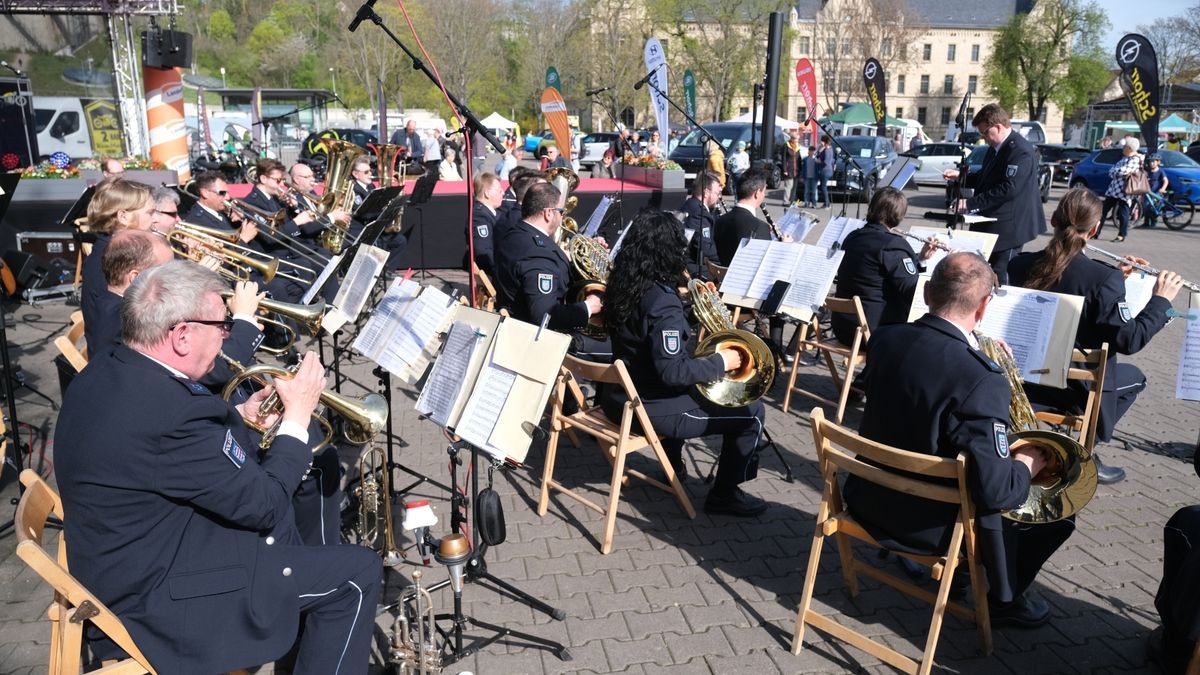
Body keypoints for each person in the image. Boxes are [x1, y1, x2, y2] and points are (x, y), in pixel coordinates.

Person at [54, 260, 383, 674]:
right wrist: (298, 417)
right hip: (160, 602)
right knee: (357, 573)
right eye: (221, 325)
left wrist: (243, 416)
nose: (228, 334)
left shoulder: (114, 366)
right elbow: (263, 505)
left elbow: (176, 459)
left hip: (139, 558)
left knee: (301, 533)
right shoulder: (167, 412)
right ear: (182, 335)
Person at [846, 251, 1071, 628]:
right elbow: (998, 492)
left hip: (865, 500)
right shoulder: (982, 378)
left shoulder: (885, 339)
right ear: (984, 307)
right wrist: (1029, 461)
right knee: (1058, 513)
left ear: (928, 292)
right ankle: (1003, 595)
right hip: (927, 528)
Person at [1008, 187, 1183, 484]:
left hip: (1024, 383)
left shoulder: (1019, 264)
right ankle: (1085, 449)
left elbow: (1071, 280)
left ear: (1053, 220)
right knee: (1136, 377)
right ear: (1096, 228)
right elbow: (1129, 339)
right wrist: (1161, 302)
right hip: (1073, 390)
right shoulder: (1102, 279)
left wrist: (1115, 279)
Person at [602, 210, 768, 516]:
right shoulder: (662, 300)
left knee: (694, 388)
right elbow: (673, 372)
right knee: (753, 413)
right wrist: (722, 360)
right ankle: (725, 494)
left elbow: (650, 333)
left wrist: (689, 313)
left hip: (616, 399)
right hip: (648, 408)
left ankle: (672, 467)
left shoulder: (624, 283)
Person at [493, 181, 609, 360]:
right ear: (548, 213)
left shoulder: (514, 236)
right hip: (540, 344)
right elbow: (544, 315)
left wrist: (568, 258)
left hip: (515, 327)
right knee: (619, 346)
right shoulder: (540, 255)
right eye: (561, 212)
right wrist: (589, 306)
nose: (562, 217)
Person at [940, 104, 1046, 283]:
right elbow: (986, 177)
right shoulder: (995, 149)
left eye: (985, 133)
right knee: (985, 273)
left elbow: (1008, 188)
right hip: (993, 224)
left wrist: (970, 204)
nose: (983, 138)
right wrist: (961, 177)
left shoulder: (1020, 150)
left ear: (998, 127)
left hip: (1010, 228)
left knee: (1000, 275)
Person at [831, 187, 938, 346]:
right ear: (899, 215)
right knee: (934, 336)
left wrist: (921, 259)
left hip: (843, 329)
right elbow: (913, 293)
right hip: (874, 333)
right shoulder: (893, 245)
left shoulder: (852, 237)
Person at [81, 179, 154, 340]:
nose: (154, 220)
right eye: (150, 213)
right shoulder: (107, 259)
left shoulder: (118, 251)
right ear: (123, 216)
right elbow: (115, 327)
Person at [85, 229, 174, 356]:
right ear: (135, 278)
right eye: (167, 271)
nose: (175, 276)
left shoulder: (110, 303)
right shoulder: (127, 325)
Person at [184, 171, 256, 245]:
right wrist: (243, 239)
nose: (228, 197)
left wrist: (242, 219)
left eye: (228, 193)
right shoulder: (196, 221)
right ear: (205, 193)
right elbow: (219, 254)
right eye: (222, 193)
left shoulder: (220, 211)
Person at [1097, 136, 1144, 243]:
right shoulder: (1125, 158)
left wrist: (1116, 172)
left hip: (1124, 191)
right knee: (1102, 211)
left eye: (1125, 147)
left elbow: (1122, 171)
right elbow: (1112, 170)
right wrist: (1116, 172)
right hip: (1114, 189)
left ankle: (1122, 235)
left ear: (1130, 148)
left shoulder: (1135, 160)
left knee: (1123, 213)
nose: (1123, 149)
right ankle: (1096, 232)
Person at [680, 170, 723, 280]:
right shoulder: (699, 213)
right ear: (706, 192)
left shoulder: (689, 204)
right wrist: (725, 263)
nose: (719, 197)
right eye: (717, 193)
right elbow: (706, 249)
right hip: (694, 269)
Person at [467, 171, 503, 276]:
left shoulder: (492, 213)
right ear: (487, 193)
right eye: (499, 191)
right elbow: (484, 252)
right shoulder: (479, 217)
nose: (503, 193)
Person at [1141, 154, 1169, 228]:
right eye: (1150, 162)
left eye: (1153, 161)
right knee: (1146, 206)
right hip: (1148, 192)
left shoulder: (1160, 171)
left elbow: (1165, 181)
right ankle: (1146, 223)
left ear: (1158, 162)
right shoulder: (1148, 171)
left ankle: (1153, 222)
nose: (1151, 163)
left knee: (1152, 207)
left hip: (1157, 193)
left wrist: (1163, 189)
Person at [781, 128, 802, 205]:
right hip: (788, 169)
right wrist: (784, 170)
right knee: (788, 186)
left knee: (794, 187)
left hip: (796, 170)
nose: (797, 141)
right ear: (792, 139)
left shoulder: (797, 146)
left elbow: (799, 158)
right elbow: (783, 158)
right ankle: (785, 201)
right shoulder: (786, 145)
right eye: (796, 139)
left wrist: (801, 168)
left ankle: (792, 201)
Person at [817, 136, 834, 208]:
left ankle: (827, 203)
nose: (820, 142)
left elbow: (826, 161)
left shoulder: (826, 150)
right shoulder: (831, 149)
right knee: (823, 186)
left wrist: (818, 161)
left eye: (821, 141)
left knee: (823, 187)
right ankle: (826, 203)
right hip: (829, 170)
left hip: (825, 170)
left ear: (824, 142)